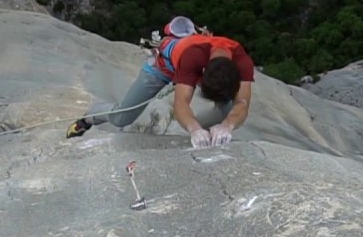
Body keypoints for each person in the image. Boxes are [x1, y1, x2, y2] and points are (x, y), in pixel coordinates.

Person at [68, 16, 253, 148]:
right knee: (121, 118)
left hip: (193, 63)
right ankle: (90, 116)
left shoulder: (242, 61)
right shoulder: (193, 57)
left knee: (229, 110)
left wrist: (227, 126)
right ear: (202, 73)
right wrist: (194, 128)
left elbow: (242, 102)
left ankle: (201, 134)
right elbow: (181, 103)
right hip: (162, 67)